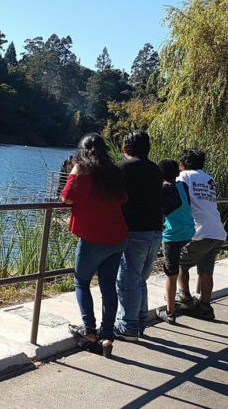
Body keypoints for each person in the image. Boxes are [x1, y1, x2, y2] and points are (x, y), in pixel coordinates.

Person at [61, 133, 128, 359]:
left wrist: (74, 171)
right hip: (117, 236)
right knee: (108, 285)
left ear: (81, 149)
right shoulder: (114, 171)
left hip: (93, 237)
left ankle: (89, 332)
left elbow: (67, 198)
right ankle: (107, 336)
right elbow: (123, 198)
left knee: (81, 281)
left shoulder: (82, 168)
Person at [114, 130, 164, 341]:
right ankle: (140, 321)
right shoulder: (156, 170)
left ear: (125, 149)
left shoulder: (122, 169)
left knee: (127, 281)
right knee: (140, 279)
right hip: (155, 231)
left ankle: (128, 326)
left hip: (134, 232)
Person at [176, 149, 226, 321]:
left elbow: (175, 195)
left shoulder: (184, 176)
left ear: (183, 163)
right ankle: (205, 306)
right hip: (217, 231)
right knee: (206, 269)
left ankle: (185, 298)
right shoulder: (208, 178)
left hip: (201, 231)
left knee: (179, 262)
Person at [155, 159, 196, 324]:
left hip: (173, 235)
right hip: (189, 231)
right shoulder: (183, 186)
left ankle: (170, 312)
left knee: (171, 275)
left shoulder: (163, 190)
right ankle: (183, 296)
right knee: (180, 267)